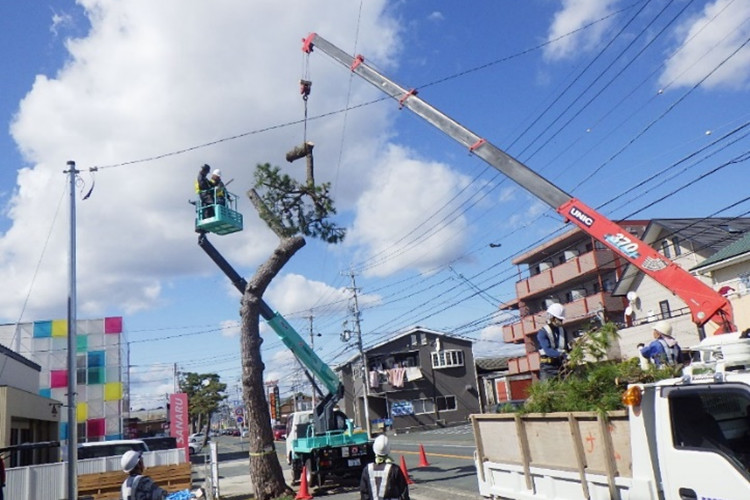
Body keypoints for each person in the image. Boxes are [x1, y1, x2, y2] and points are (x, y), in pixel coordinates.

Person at [360, 434, 410, 500]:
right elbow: (404, 492)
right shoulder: (395, 469)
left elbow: (364, 493)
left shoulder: (367, 469)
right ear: (388, 450)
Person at [536, 302, 571, 381]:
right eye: (559, 319)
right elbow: (548, 351)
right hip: (547, 368)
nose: (560, 322)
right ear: (551, 317)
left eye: (561, 320)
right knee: (547, 392)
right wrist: (563, 355)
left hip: (561, 366)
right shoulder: (542, 333)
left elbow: (566, 348)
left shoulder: (562, 331)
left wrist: (571, 351)